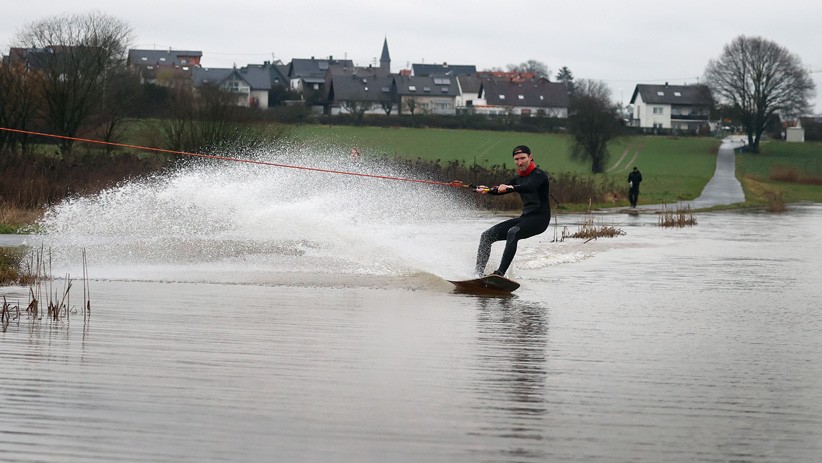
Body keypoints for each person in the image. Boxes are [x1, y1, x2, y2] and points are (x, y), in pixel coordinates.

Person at [475, 145, 551, 277]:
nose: (520, 162)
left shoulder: (539, 175)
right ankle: (477, 275)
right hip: (525, 218)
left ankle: (500, 274)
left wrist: (512, 187)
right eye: (516, 159)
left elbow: (530, 187)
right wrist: (486, 190)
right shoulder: (517, 179)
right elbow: (501, 189)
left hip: (540, 219)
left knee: (513, 232)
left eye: (523, 158)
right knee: (486, 236)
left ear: (530, 157)